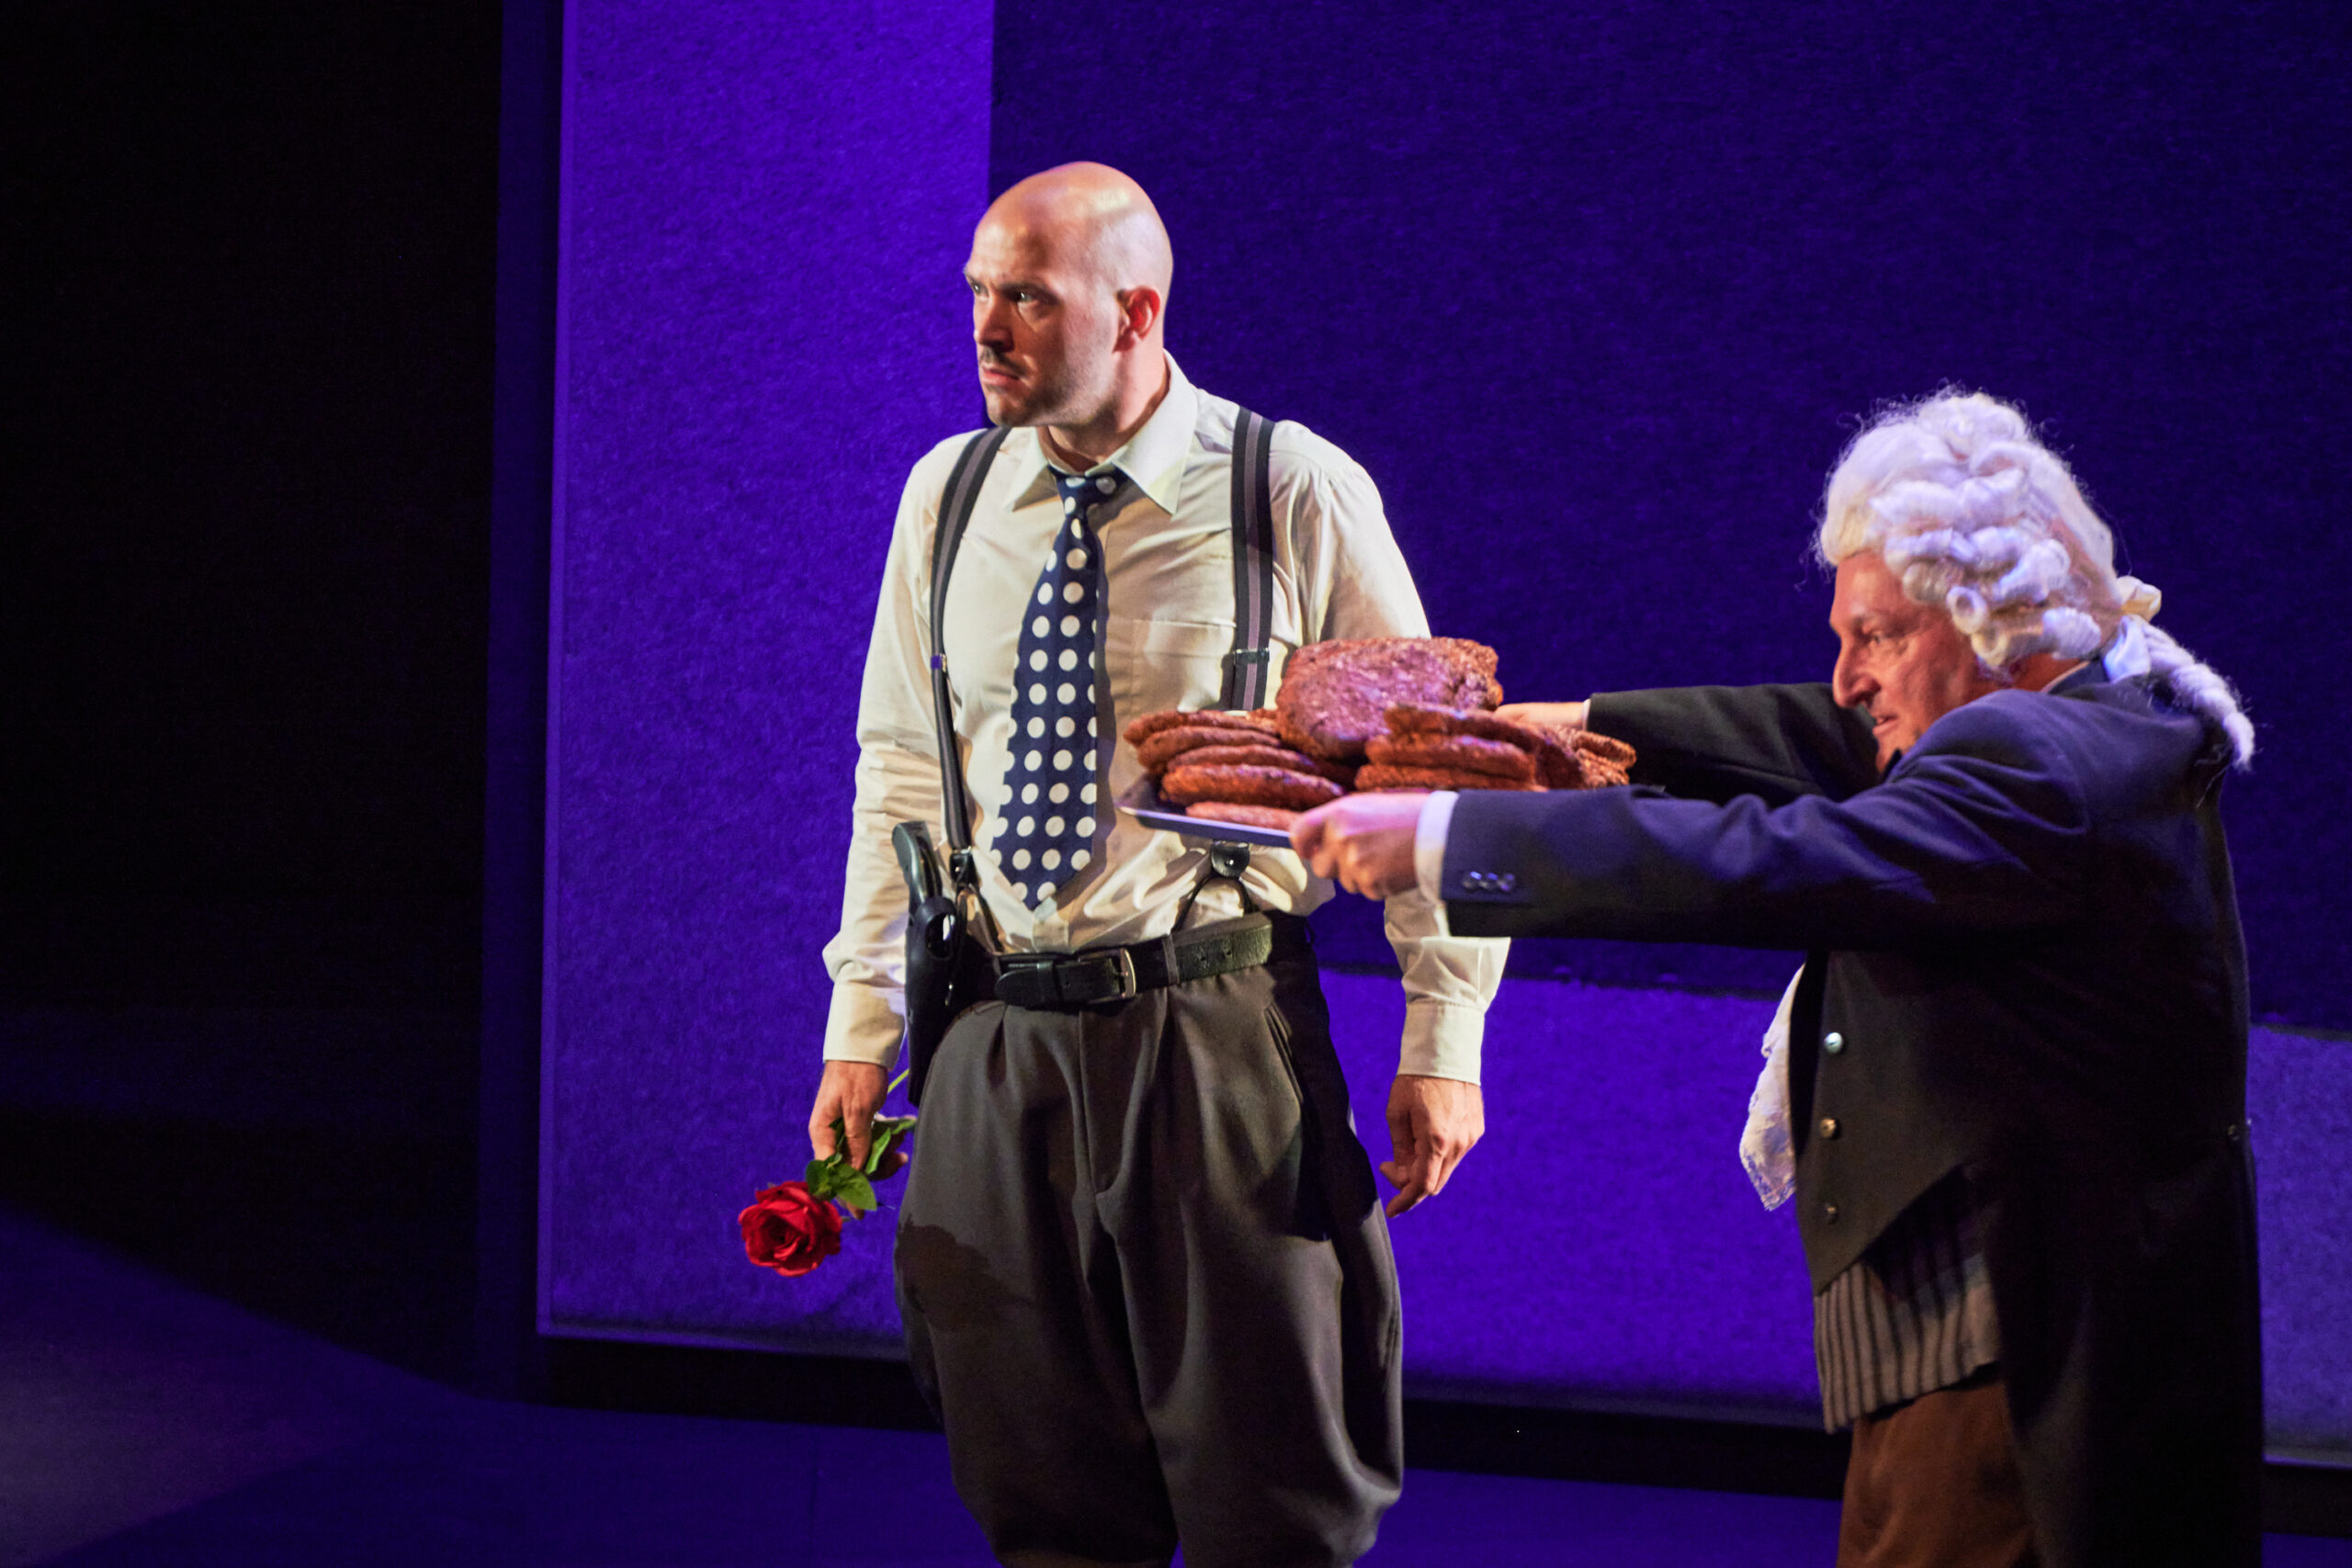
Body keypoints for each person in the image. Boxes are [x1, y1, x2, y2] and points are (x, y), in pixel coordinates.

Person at [1293, 392, 2262, 1568]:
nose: (1847, 677)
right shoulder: (2079, 706)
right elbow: (1817, 734)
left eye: (1877, 635)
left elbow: (1773, 861)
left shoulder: (2046, 768)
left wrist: (1451, 841)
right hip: (1972, 1332)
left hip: (2017, 1350)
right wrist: (1569, 730)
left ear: (1995, 622)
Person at [810, 163, 1505, 1567]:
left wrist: (1446, 1038)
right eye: (978, 293)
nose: (986, 327)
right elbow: (902, 772)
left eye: (1026, 297)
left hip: (1207, 1025)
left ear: (1134, 312)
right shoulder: (947, 493)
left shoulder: (1284, 486)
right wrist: (862, 1026)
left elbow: (1435, 774)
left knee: (1273, 1491)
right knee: (1038, 1483)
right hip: (997, 1032)